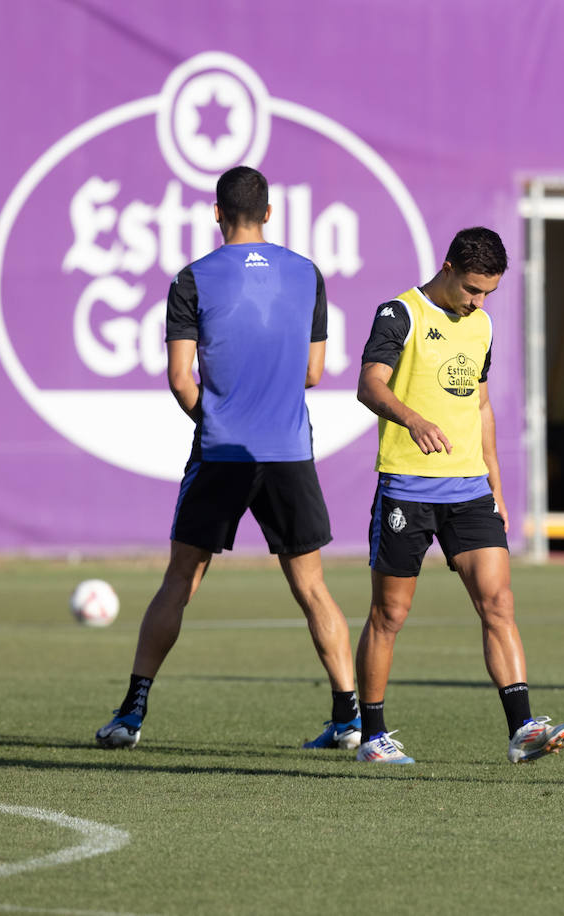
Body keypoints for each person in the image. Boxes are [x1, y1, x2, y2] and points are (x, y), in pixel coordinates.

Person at [95, 166, 360, 751]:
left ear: (216, 214)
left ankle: (132, 713)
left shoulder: (192, 279)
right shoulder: (307, 273)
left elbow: (180, 379)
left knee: (179, 582)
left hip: (221, 453)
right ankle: (348, 718)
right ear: (270, 212)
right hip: (289, 452)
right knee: (313, 588)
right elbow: (314, 372)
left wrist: (218, 421)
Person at [352, 227, 564, 765]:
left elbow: (479, 405)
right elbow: (369, 385)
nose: (478, 302)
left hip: (470, 489)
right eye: (473, 289)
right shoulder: (399, 314)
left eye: (488, 294)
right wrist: (412, 419)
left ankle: (522, 728)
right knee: (390, 614)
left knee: (498, 601)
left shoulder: (481, 325)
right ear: (449, 266)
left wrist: (495, 481)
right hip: (407, 488)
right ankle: (372, 737)